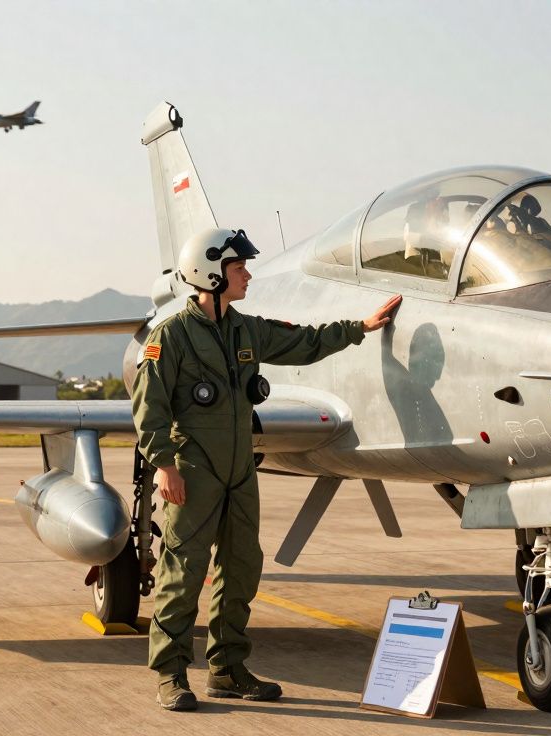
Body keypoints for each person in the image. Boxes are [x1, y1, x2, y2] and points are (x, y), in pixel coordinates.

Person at [131, 227, 401, 711]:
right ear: (210, 273)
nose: (248, 275)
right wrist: (165, 466)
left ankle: (228, 669)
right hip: (193, 469)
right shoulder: (169, 337)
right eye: (239, 269)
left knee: (241, 569)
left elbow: (305, 343)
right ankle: (171, 673)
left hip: (239, 471)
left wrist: (360, 328)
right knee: (183, 571)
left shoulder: (246, 329)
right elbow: (148, 406)